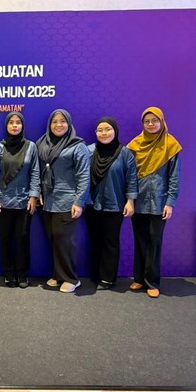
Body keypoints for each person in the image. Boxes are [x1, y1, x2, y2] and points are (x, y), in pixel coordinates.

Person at [127, 107, 181, 298]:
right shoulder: (135, 145)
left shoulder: (171, 145)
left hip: (160, 202)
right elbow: (130, 176)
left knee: (155, 242)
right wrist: (130, 200)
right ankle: (139, 279)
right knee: (140, 240)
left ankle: (152, 282)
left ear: (162, 121)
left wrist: (170, 202)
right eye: (147, 121)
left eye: (154, 120)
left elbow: (174, 177)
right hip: (139, 201)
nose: (150, 124)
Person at [36, 109, 90, 293]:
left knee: (64, 239)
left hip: (68, 200)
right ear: (49, 124)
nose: (58, 125)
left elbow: (84, 176)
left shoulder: (78, 146)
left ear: (69, 123)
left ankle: (71, 278)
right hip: (47, 200)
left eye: (62, 121)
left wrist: (79, 202)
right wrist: (39, 191)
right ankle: (59, 275)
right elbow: (38, 171)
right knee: (53, 238)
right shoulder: (42, 144)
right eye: (55, 122)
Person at [0, 111, 41, 288]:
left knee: (23, 239)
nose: (15, 125)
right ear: (6, 126)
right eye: (11, 122)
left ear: (23, 125)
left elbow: (35, 173)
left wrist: (33, 196)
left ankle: (22, 275)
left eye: (18, 122)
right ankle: (9, 274)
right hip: (3, 202)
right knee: (5, 239)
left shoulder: (31, 147)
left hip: (25, 201)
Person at [84, 117, 138, 290]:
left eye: (108, 129)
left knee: (110, 241)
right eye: (100, 130)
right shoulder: (88, 151)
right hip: (91, 204)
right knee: (94, 240)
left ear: (115, 131)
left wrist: (130, 201)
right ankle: (96, 274)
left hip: (115, 204)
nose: (104, 133)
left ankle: (108, 278)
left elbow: (131, 179)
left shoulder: (125, 153)